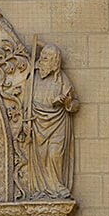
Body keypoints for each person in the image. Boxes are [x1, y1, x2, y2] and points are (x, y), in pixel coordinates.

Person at [25, 44, 79, 197]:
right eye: (41, 59)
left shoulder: (62, 80)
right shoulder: (33, 79)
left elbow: (75, 104)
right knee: (41, 157)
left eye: (46, 59)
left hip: (57, 124)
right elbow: (25, 104)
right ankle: (41, 189)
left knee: (55, 154)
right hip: (38, 125)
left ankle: (56, 185)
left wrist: (66, 102)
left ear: (55, 63)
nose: (42, 62)